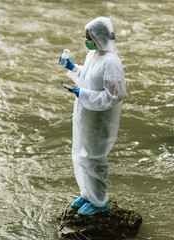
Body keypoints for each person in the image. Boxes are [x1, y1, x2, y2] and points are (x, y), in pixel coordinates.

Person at [58, 17, 126, 215]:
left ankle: (99, 201)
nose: (85, 40)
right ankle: (87, 193)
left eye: (88, 37)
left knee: (95, 157)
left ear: (99, 37)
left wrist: (83, 94)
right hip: (85, 113)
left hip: (100, 118)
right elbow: (88, 77)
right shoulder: (94, 55)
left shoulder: (111, 62)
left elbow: (115, 95)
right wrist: (72, 68)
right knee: (81, 154)